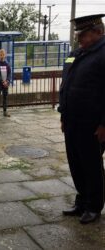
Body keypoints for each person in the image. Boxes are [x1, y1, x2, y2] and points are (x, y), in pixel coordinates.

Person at [58, 14, 105, 224]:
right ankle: (81, 201)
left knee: (91, 166)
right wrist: (63, 115)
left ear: (98, 32)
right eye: (78, 34)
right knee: (76, 164)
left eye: (83, 34)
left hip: (92, 125)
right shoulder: (77, 53)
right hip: (71, 121)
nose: (79, 38)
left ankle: (94, 206)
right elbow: (66, 83)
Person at [0, 49, 12, 118]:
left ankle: (5, 111)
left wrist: (7, 81)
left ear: (5, 55)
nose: (2, 56)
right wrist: (3, 81)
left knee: (5, 98)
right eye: (0, 55)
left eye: (3, 54)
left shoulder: (7, 64)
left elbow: (9, 73)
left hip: (6, 84)